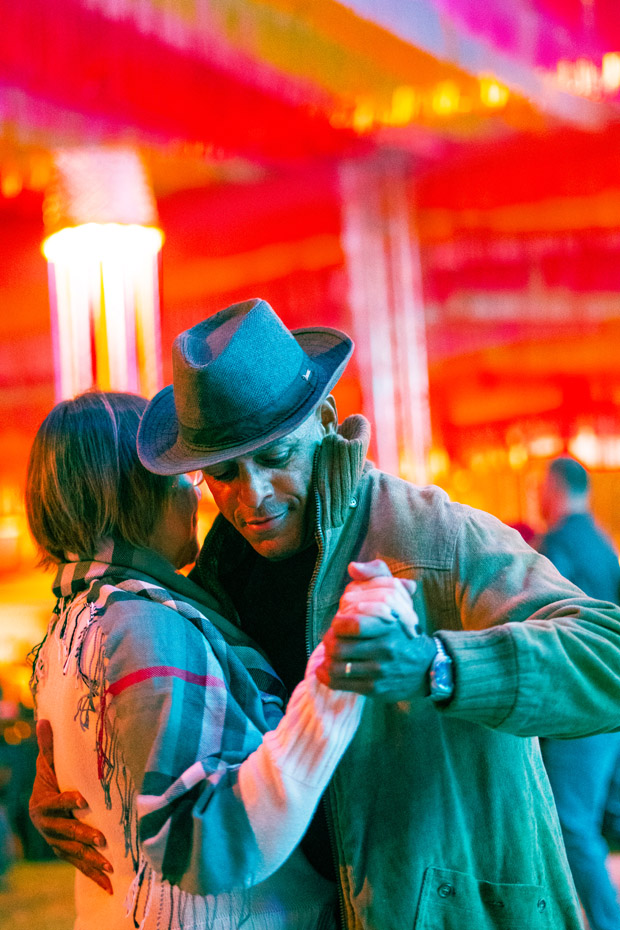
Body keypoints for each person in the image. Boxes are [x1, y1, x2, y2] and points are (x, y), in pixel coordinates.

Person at [31, 299, 620, 930]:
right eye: (223, 473)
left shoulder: (432, 535)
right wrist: (66, 778)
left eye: (275, 457)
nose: (253, 496)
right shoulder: (214, 581)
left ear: (327, 421)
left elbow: (607, 653)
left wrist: (440, 667)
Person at [26, 390, 369, 930]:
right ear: (135, 496)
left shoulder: (74, 619)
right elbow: (203, 840)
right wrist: (335, 691)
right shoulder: (147, 624)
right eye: (181, 479)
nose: (196, 496)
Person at [538, 456, 620, 930]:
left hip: (579, 707)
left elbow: (543, 626)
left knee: (571, 824)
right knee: (585, 821)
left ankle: (607, 921)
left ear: (553, 489)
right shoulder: (603, 544)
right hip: (608, 703)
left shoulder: (557, 546)